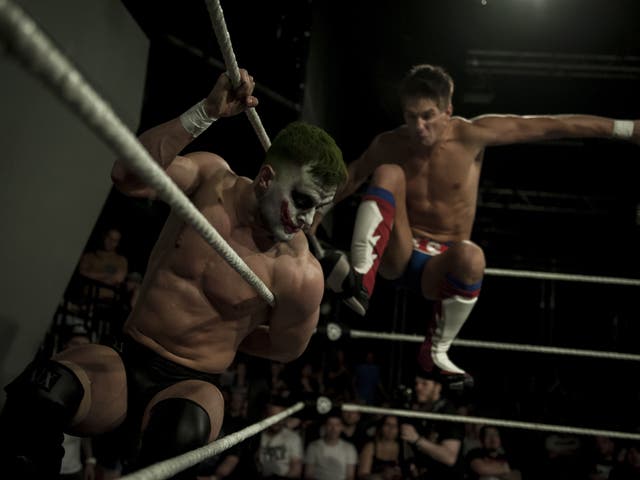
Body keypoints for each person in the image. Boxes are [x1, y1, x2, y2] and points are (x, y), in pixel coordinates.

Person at [0, 67, 347, 479]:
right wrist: (205, 112)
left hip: (192, 384)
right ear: (266, 178)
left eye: (318, 209)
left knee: (179, 434)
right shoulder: (209, 180)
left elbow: (287, 347)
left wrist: (231, 331)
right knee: (38, 395)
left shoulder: (301, 274)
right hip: (124, 360)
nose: (306, 221)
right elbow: (127, 177)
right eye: (304, 201)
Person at [310, 63, 640, 389]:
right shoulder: (391, 144)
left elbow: (552, 125)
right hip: (398, 253)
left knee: (473, 257)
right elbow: (352, 175)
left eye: (428, 115)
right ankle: (360, 282)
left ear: (448, 110)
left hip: (439, 268)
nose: (419, 126)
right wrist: (316, 212)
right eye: (411, 116)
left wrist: (626, 129)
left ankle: (435, 351)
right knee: (388, 173)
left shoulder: (472, 135)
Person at [399, 371, 465, 479]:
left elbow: (450, 458)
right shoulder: (420, 409)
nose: (418, 388)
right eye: (417, 383)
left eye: (424, 384)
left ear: (437, 387)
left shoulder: (448, 413)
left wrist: (416, 440)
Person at [255, 398, 304, 479]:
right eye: (273, 416)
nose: (277, 421)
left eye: (280, 416)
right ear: (266, 416)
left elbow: (296, 471)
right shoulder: (257, 436)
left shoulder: (293, 437)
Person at [304, 411, 358, 480]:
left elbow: (350, 476)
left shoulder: (349, 448)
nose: (333, 429)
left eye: (337, 425)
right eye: (330, 424)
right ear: (325, 427)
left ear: (342, 427)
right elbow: (309, 475)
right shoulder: (313, 446)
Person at [357, 415, 410, 480]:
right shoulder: (370, 447)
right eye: (387, 424)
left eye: (395, 426)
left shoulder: (404, 447)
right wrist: (381, 475)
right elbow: (362, 475)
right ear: (381, 426)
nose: (391, 429)